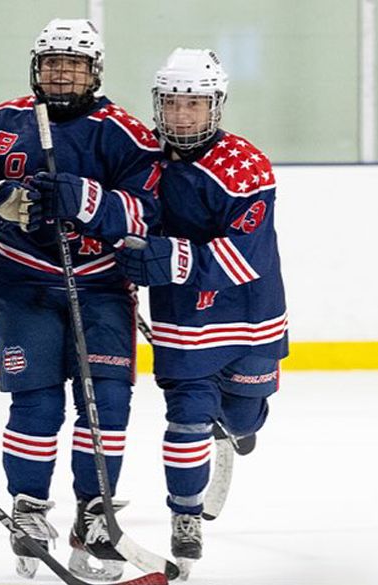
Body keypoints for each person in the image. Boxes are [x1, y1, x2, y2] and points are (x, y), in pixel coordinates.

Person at [0, 18, 161, 581]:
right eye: (53, 63)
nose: (61, 74)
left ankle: (95, 514)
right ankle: (29, 508)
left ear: (94, 72)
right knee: (36, 404)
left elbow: (148, 214)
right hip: (22, 282)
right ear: (37, 68)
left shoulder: (126, 133)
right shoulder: (2, 123)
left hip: (100, 283)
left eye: (74, 65)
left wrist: (87, 200)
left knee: (106, 401)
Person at [115, 48, 287, 579]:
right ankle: (185, 515)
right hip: (183, 320)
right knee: (186, 418)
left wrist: (166, 258)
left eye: (194, 104)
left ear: (216, 105)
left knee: (242, 415)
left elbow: (245, 258)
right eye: (172, 103)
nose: (182, 115)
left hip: (249, 317)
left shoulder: (243, 165)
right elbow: (123, 214)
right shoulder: (144, 159)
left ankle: (235, 426)